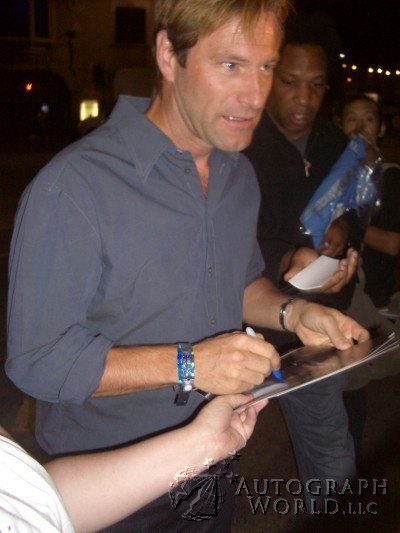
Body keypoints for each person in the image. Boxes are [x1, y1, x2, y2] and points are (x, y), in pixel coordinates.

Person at [6, 1, 368, 529]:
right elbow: (38, 361)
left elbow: (237, 282)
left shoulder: (238, 175)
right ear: (168, 54)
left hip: (215, 460)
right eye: (231, 65)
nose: (254, 95)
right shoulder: (75, 186)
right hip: (109, 485)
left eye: (266, 67)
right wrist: (188, 364)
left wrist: (293, 313)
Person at [243, 11, 365, 508]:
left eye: (316, 86)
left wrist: (344, 236)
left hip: (311, 333)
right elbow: (221, 241)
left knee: (332, 458)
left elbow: (353, 207)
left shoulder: (335, 143)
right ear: (268, 76)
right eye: (290, 81)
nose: (303, 98)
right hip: (242, 326)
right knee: (201, 471)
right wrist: (287, 256)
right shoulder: (239, 143)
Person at [0, 394, 266, 532]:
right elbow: (37, 363)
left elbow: (42, 498)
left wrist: (208, 443)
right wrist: (189, 363)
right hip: (107, 444)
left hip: (169, 469)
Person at [339, 94, 400, 309]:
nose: (360, 127)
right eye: (351, 119)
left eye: (369, 119)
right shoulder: (333, 173)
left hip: (370, 300)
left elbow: (391, 244)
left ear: (381, 129)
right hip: (335, 291)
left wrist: (339, 222)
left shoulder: (391, 176)